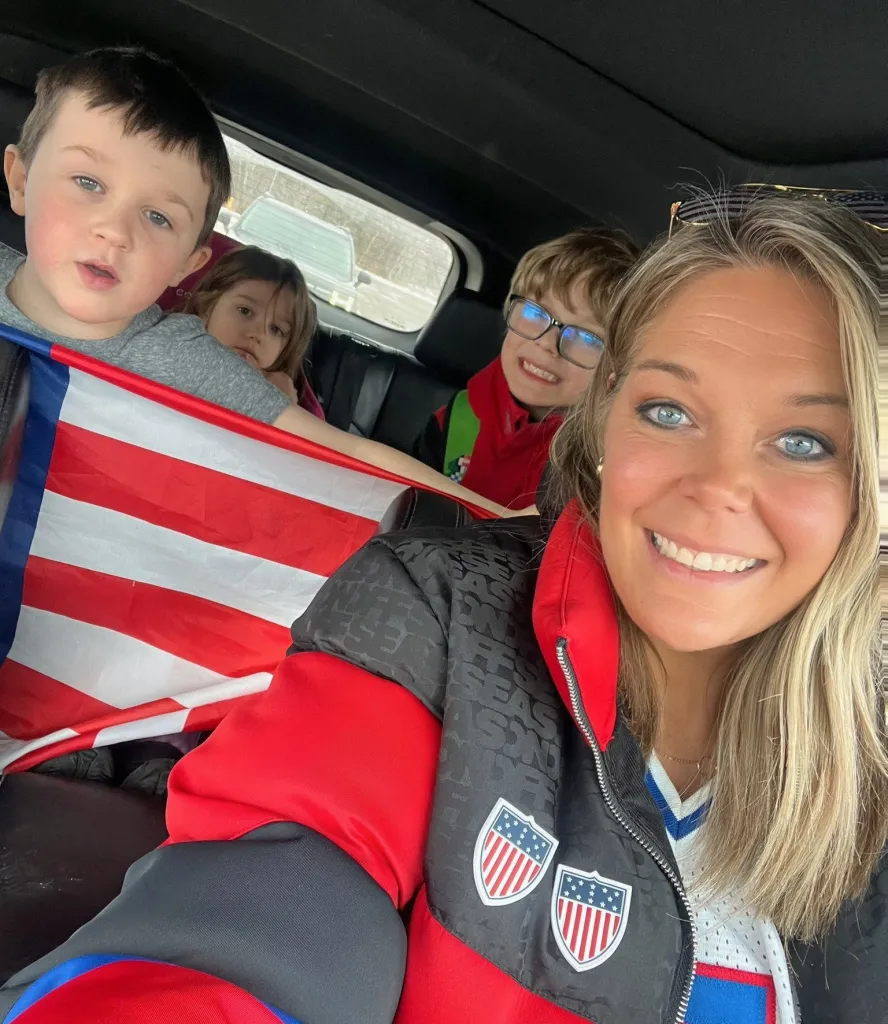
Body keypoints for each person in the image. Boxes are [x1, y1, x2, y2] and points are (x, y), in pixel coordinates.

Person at [2, 190, 883, 1022]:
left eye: (803, 441)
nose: (719, 488)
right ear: (608, 421)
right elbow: (277, 894)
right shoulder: (434, 613)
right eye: (667, 410)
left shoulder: (865, 742)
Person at [0, 45, 521, 517]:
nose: (114, 231)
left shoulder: (186, 358)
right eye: (88, 182)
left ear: (188, 264)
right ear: (21, 181)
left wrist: (499, 518)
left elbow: (347, 452)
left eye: (158, 217)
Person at [414, 228, 639, 507]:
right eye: (534, 312)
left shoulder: (598, 467)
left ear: (617, 367)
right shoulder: (456, 418)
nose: (547, 343)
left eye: (586, 337)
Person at [185, 245, 325, 418]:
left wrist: (281, 408)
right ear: (206, 307)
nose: (258, 334)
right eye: (245, 311)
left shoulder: (288, 399)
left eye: (276, 329)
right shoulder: (168, 351)